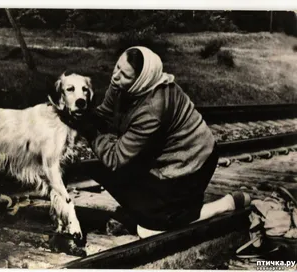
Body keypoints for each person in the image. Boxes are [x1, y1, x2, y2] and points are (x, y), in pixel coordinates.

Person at [80, 46, 250, 238]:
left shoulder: (153, 108)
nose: (116, 76)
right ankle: (175, 205)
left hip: (192, 164)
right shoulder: (122, 84)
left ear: (141, 80)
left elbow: (115, 159)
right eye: (117, 67)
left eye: (125, 74)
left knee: (151, 227)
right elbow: (104, 114)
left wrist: (90, 132)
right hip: (163, 159)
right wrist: (79, 112)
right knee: (102, 173)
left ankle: (223, 204)